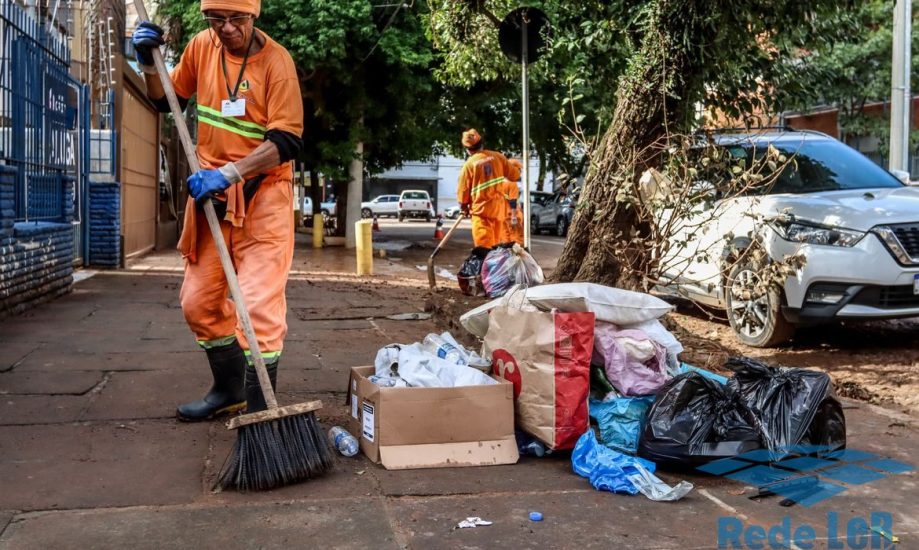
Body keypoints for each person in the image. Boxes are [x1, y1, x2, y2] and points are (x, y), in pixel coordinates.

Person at [131, 0, 304, 420]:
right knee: (198, 304)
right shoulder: (200, 47)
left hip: (264, 198)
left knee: (258, 308)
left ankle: (262, 417)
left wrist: (229, 173)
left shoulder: (277, 63)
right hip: (214, 203)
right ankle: (230, 390)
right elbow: (164, 101)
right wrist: (150, 65)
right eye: (216, 19)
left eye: (236, 19)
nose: (225, 29)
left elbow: (287, 141)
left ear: (254, 15)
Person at [456, 129, 518, 254]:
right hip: (498, 211)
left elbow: (463, 190)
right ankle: (495, 272)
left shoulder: (469, 165)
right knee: (496, 249)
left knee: (484, 250)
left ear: (467, 149)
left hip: (481, 213)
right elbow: (515, 176)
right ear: (482, 143)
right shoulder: (498, 157)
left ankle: (486, 272)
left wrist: (463, 206)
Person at [501, 158, 525, 247]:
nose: (520, 172)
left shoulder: (500, 182)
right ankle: (516, 258)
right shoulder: (512, 183)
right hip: (511, 216)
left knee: (505, 239)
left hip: (502, 216)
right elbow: (513, 201)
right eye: (519, 170)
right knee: (516, 240)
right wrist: (514, 216)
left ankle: (508, 259)